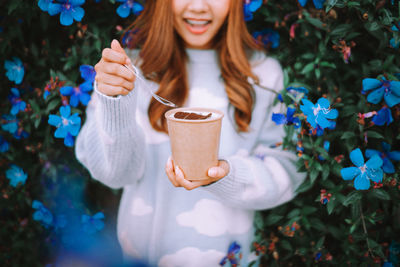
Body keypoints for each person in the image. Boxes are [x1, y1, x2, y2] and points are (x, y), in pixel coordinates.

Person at [75, 0, 306, 266]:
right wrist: (114, 101)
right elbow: (115, 174)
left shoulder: (265, 76)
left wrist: (223, 175)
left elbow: (288, 170)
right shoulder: (127, 73)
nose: (198, 7)